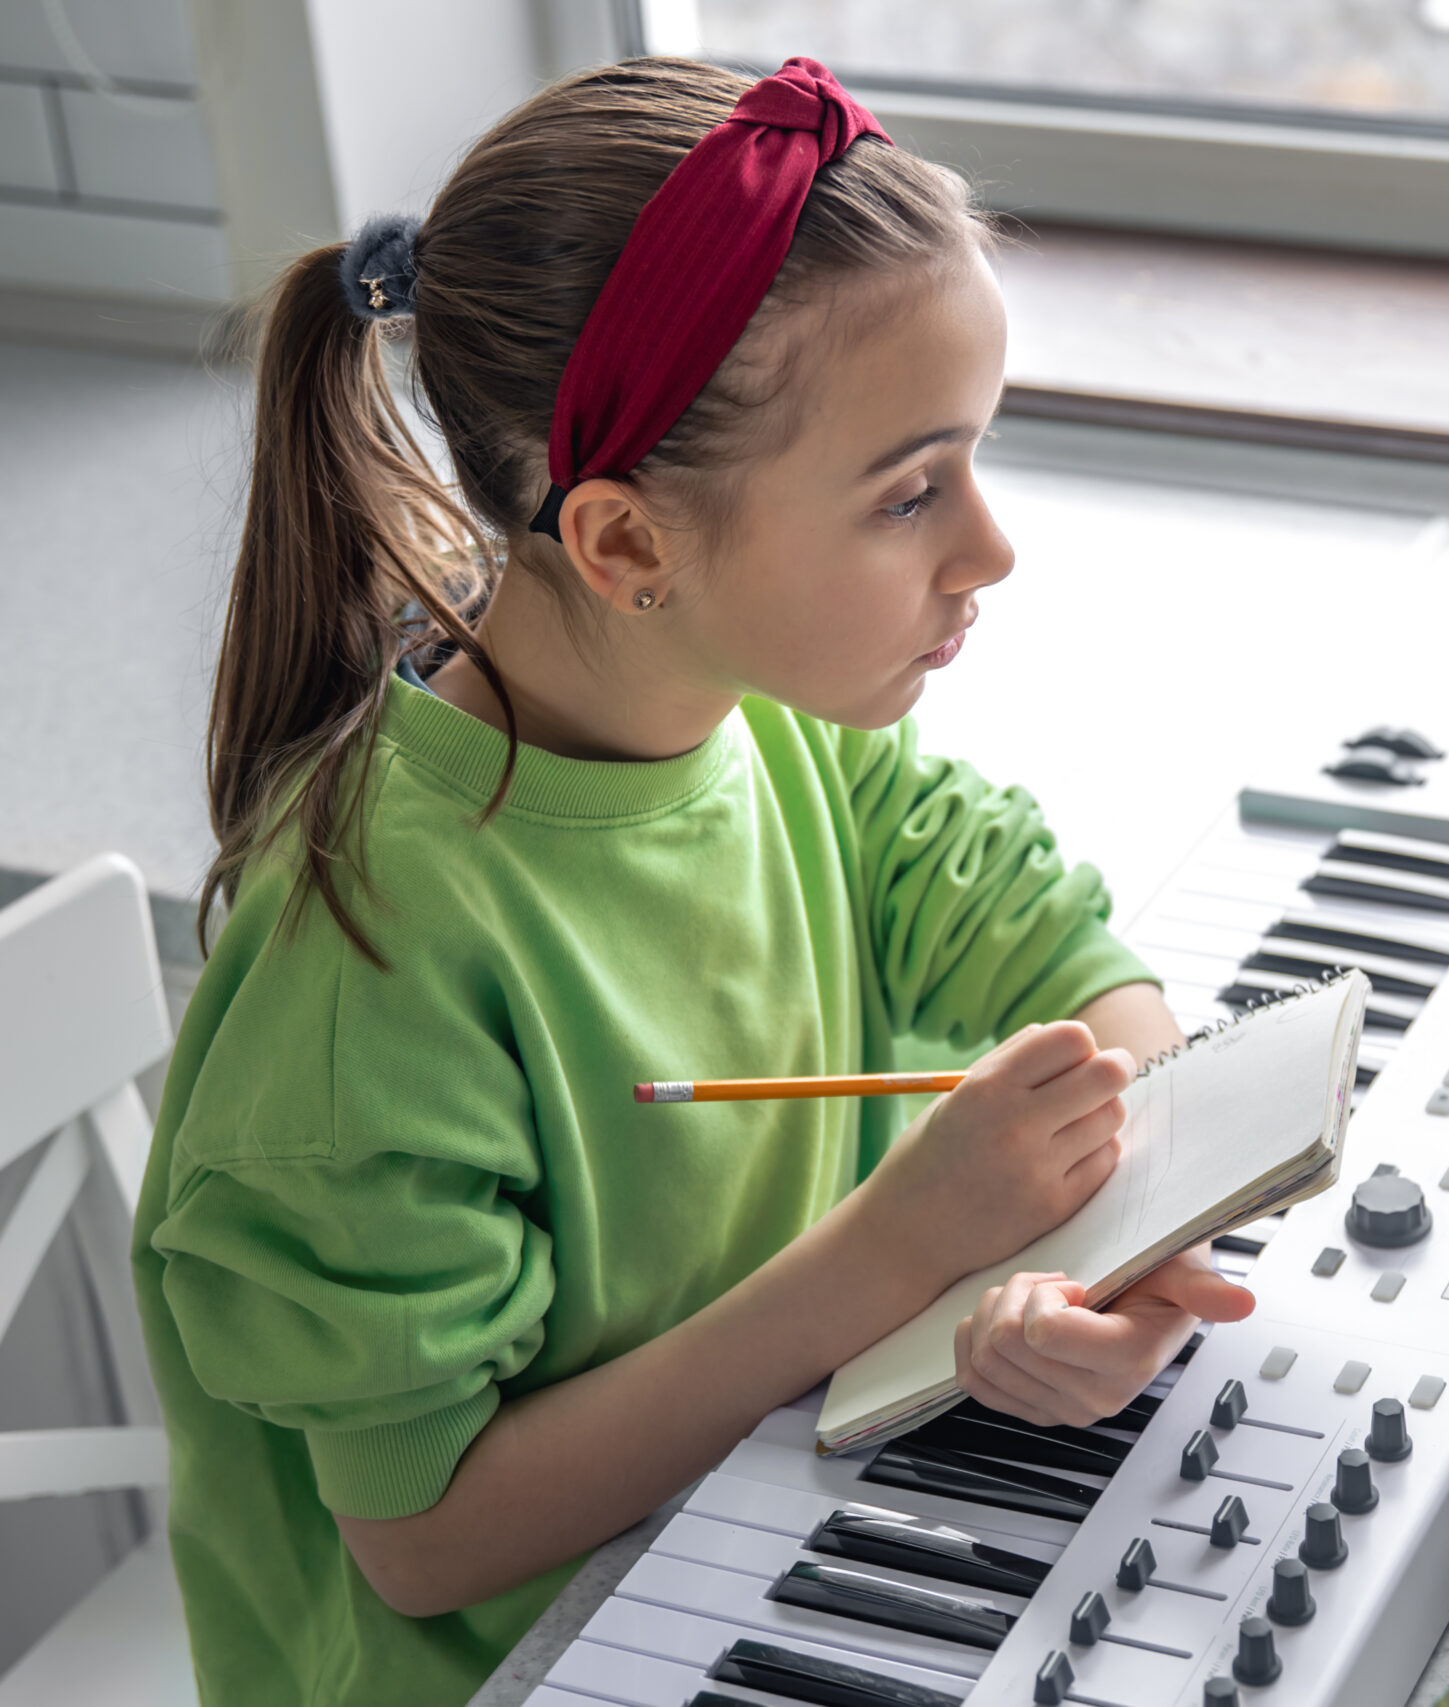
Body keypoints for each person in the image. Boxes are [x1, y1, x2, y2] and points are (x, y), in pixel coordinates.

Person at [128, 55, 1249, 1707]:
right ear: (628, 546)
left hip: (758, 1538)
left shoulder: (778, 726)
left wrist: (1128, 1227)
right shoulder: (371, 972)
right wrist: (899, 1253)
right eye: (910, 490)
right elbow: (426, 1539)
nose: (991, 549)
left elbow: (1043, 934)